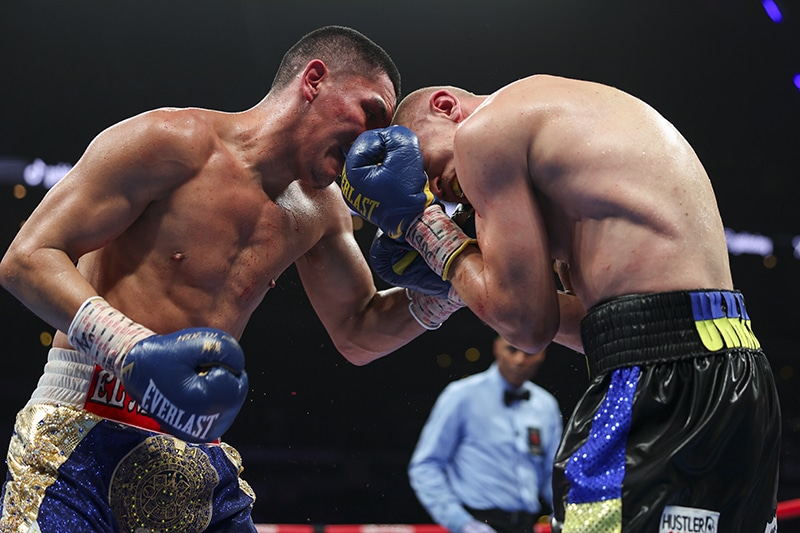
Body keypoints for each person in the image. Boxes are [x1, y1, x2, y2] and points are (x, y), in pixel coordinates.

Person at [0, 25, 435, 533]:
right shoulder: (169, 142)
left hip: (194, 453)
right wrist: (130, 349)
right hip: (81, 427)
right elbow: (27, 258)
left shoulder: (322, 211)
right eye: (372, 113)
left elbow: (359, 331)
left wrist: (445, 287)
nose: (374, 142)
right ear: (314, 80)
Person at [339, 76, 781, 532]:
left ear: (446, 106)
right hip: (736, 371)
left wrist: (422, 226)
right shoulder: (569, 136)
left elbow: (526, 327)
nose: (431, 188)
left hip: (662, 384)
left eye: (421, 165)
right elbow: (597, 327)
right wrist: (464, 284)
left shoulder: (483, 133)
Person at [408, 334, 562, 533]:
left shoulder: (546, 405)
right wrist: (460, 522)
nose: (520, 360)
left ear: (542, 353)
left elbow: (553, 474)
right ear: (497, 347)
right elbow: (425, 465)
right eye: (512, 350)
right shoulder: (461, 396)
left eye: (528, 353)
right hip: (477, 520)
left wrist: (563, 509)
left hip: (526, 525)